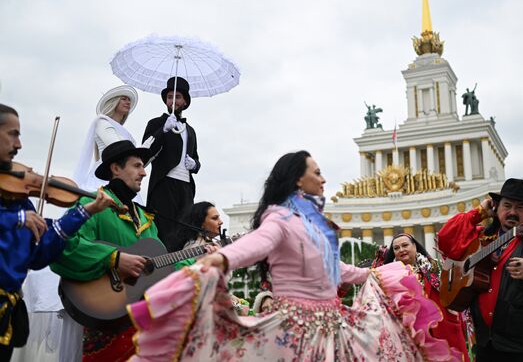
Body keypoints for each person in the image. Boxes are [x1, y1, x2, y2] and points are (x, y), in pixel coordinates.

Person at [127, 150, 461, 361]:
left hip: (333, 327)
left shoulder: (311, 223)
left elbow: (337, 270)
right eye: (317, 172)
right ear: (298, 179)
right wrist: (223, 258)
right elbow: (258, 242)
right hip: (295, 331)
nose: (324, 178)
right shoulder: (280, 216)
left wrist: (373, 275)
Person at [0, 104, 115, 361]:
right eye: (12, 134)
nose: (19, 144)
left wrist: (84, 213)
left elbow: (38, 256)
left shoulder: (18, 198)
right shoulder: (19, 212)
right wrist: (16, 218)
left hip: (5, 315)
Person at [50, 140, 160, 362]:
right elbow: (63, 245)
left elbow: (161, 266)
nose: (144, 173)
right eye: (137, 166)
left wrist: (201, 259)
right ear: (116, 168)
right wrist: (114, 258)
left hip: (142, 322)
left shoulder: (146, 218)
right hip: (106, 315)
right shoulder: (91, 204)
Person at [438, 178, 523, 361]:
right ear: (496, 208)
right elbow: (445, 238)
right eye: (507, 205)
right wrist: (478, 212)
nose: (512, 212)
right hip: (487, 346)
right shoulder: (481, 238)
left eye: (520, 207)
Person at [384, 234, 470, 361]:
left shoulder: (435, 266)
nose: (401, 250)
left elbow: (454, 285)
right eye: (396, 248)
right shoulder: (390, 276)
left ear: (415, 246)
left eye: (405, 245)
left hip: (443, 326)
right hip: (413, 333)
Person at [142, 76, 200, 252]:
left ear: (185, 101)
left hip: (185, 187)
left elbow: (197, 158)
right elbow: (144, 153)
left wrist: (195, 165)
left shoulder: (190, 131)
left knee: (184, 232)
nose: (173, 101)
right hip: (164, 184)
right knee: (164, 232)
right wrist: (163, 130)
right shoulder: (156, 123)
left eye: (178, 97)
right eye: (169, 97)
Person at [73, 85, 139, 193]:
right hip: (105, 174)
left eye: (129, 100)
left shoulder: (123, 131)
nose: (128, 102)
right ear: (114, 102)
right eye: (124, 99)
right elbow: (116, 146)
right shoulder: (102, 122)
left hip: (121, 174)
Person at [173, 201, 222, 269]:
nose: (221, 222)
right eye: (215, 218)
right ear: (201, 223)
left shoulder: (203, 243)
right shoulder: (195, 246)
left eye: (219, 218)